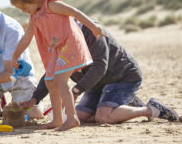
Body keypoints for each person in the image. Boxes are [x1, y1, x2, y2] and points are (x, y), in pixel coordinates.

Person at [20, 21, 181, 124]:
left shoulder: (89, 31)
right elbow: (51, 72)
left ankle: (152, 109)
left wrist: (76, 90)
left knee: (103, 117)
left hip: (122, 77)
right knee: (81, 115)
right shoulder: (60, 40)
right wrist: (35, 98)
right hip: (96, 84)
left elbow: (100, 66)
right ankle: (126, 104)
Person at [9, 0, 107, 131]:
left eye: (24, 7)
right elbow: (27, 38)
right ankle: (57, 119)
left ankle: (72, 117)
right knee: (50, 82)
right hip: (57, 49)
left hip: (69, 44)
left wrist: (93, 27)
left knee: (60, 81)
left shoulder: (52, 5)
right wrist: (15, 56)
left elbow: (75, 12)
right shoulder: (34, 16)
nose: (23, 11)